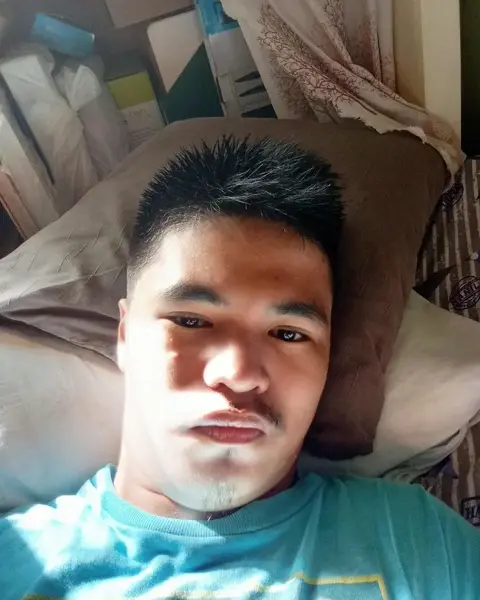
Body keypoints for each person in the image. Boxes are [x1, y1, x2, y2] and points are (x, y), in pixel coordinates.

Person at [1, 136, 479, 600]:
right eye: (191, 321)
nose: (239, 373)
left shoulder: (419, 543)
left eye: (289, 333)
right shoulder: (16, 560)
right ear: (125, 336)